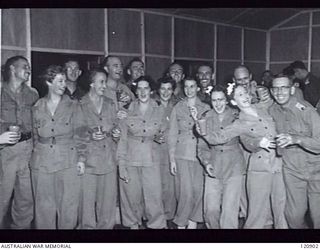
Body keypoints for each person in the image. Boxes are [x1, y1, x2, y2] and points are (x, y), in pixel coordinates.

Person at [196, 83, 287, 229]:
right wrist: (203, 132)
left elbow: (281, 107)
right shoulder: (239, 122)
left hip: (278, 164)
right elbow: (223, 138)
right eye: (239, 95)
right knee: (255, 213)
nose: (244, 97)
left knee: (281, 208)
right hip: (259, 165)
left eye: (244, 93)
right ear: (233, 101)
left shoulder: (264, 109)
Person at [30, 65, 83, 229]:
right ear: (48, 82)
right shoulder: (37, 107)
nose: (64, 85)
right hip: (42, 161)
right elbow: (34, 136)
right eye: (60, 81)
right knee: (43, 207)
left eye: (64, 81)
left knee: (68, 206)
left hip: (67, 159)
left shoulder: (74, 105)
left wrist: (81, 159)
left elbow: (81, 134)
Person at [269, 75, 320, 228]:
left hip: (316, 171)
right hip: (292, 171)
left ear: (292, 89)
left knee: (318, 217)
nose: (279, 92)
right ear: (271, 91)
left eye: (283, 87)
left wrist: (296, 139)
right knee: (293, 217)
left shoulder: (306, 111)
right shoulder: (272, 110)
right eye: (275, 88)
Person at [117, 75, 166, 229]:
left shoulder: (159, 109)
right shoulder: (126, 110)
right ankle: (133, 226)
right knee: (131, 197)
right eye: (139, 88)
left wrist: (160, 137)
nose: (143, 91)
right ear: (135, 91)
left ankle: (156, 227)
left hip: (151, 158)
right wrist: (121, 165)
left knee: (154, 198)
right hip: (131, 158)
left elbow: (163, 133)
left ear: (151, 90)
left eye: (146, 88)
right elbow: (122, 139)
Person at [77, 69, 120, 229]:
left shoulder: (110, 104)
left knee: (107, 204)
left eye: (105, 81)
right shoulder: (81, 104)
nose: (105, 85)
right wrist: (90, 136)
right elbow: (77, 132)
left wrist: (116, 133)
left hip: (108, 158)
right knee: (86, 204)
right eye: (101, 82)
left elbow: (116, 127)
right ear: (91, 83)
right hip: (88, 160)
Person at [197, 85, 245, 229]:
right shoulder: (205, 117)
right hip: (214, 164)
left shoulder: (237, 115)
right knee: (210, 210)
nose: (218, 104)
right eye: (214, 100)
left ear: (227, 100)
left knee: (229, 212)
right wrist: (206, 163)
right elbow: (202, 146)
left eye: (221, 99)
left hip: (234, 166)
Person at [0, 56, 39, 229]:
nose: (28, 70)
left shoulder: (33, 94)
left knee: (26, 198)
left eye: (29, 67)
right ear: (12, 69)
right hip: (5, 151)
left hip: (27, 149)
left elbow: (38, 123)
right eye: (25, 66)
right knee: (2, 197)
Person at [168, 77, 211, 229]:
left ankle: (192, 224)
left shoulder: (206, 107)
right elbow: (172, 133)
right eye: (186, 86)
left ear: (198, 88)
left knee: (199, 191)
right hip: (182, 154)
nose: (189, 90)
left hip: (200, 154)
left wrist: (196, 118)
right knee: (184, 192)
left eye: (192, 86)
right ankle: (180, 224)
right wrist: (172, 159)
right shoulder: (178, 107)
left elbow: (208, 132)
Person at [153, 76, 178, 228]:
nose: (165, 92)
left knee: (170, 188)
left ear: (173, 91)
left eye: (169, 89)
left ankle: (169, 219)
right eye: (163, 88)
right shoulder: (152, 106)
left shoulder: (176, 107)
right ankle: (155, 219)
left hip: (170, 153)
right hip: (154, 152)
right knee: (155, 187)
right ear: (158, 90)